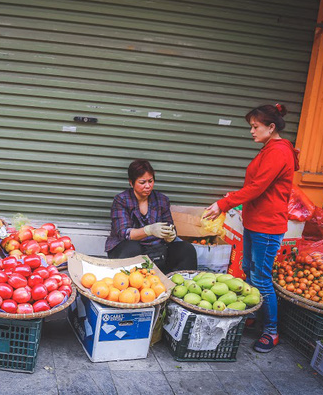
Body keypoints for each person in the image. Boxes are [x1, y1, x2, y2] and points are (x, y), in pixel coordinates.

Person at [203, 103, 299, 353]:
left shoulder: (278, 152)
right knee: (248, 269)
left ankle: (271, 331)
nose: (251, 132)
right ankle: (255, 314)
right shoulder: (269, 148)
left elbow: (257, 188)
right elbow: (257, 187)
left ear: (271, 127)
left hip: (267, 227)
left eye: (255, 127)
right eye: (251, 127)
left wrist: (224, 203)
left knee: (261, 279)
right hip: (255, 223)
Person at [105, 159, 197, 273]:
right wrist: (148, 230)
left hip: (157, 251)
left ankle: (179, 284)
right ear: (131, 182)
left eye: (150, 181)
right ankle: (131, 283)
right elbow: (124, 233)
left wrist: (170, 235)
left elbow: (169, 225)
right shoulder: (121, 200)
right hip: (129, 250)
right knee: (132, 247)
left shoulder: (162, 200)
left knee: (186, 249)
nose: (148, 186)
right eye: (142, 182)